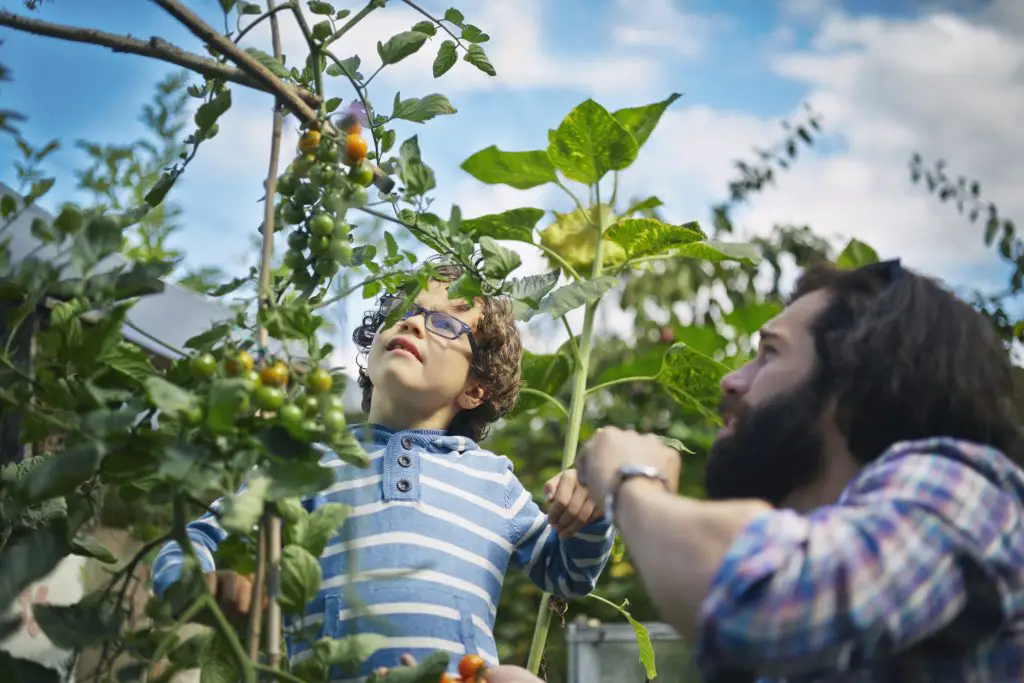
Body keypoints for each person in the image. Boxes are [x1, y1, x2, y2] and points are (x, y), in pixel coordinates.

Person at [488, 259, 1024, 682]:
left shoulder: (966, 489)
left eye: (768, 353)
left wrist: (631, 481)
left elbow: (772, 599)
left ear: (853, 380)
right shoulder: (845, 557)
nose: (731, 380)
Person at [149, 261, 613, 678]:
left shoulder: (493, 481)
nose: (413, 321)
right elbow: (199, 538)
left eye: (446, 322)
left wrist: (589, 511)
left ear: (476, 388)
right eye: (405, 310)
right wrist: (194, 584)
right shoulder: (308, 463)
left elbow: (565, 574)